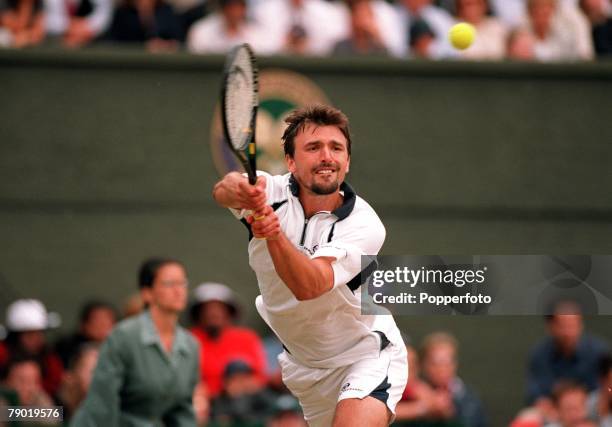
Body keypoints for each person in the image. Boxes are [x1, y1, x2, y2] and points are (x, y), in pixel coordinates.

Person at [212, 104, 408, 427]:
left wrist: (272, 231)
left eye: (336, 148)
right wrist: (238, 190)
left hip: (364, 354)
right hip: (305, 368)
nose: (326, 156)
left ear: (347, 161)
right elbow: (223, 190)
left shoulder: (366, 225)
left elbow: (309, 286)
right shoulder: (270, 191)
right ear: (290, 161)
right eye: (313, 148)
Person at [71, 257, 200, 426]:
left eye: (183, 283)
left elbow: (182, 411)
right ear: (147, 293)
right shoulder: (123, 336)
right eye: (170, 284)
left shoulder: (190, 345)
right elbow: (102, 404)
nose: (179, 291)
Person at [527, 306, 609, 418]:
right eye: (564, 326)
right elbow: (537, 395)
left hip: (591, 410)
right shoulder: (539, 354)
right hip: (554, 413)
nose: (569, 332)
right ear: (551, 326)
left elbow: (604, 392)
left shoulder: (599, 351)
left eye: (574, 325)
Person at [190, 282, 267, 398]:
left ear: (229, 312)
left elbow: (261, 377)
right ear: (198, 313)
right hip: (206, 403)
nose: (213, 313)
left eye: (219, 308)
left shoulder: (247, 338)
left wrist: (244, 385)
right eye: (207, 309)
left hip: (246, 401)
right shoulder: (189, 339)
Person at [420, 332, 487, 427]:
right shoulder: (414, 394)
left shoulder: (469, 399)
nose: (442, 369)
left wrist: (450, 414)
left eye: (447, 362)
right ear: (424, 365)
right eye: (436, 363)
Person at [0, 299, 63, 398]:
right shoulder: (2, 354)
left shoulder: (49, 358)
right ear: (15, 336)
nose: (38, 339)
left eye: (40, 333)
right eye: (31, 334)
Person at [54, 300, 116, 368]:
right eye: (97, 321)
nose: (103, 326)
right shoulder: (65, 348)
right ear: (84, 324)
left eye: (107, 321)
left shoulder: (118, 349)